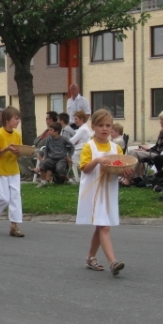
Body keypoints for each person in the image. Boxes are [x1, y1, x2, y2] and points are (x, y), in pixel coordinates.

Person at [76, 109, 130, 276]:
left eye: (108, 125)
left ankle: (91, 257)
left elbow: (120, 168)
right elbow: (84, 169)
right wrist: (97, 160)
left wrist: (125, 172)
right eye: (101, 125)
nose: (105, 129)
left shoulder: (116, 148)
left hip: (109, 191)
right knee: (104, 227)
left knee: (101, 226)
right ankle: (113, 261)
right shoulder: (89, 147)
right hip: (94, 193)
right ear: (94, 127)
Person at [0, 106, 25, 237]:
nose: (18, 121)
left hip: (13, 170)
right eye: (16, 119)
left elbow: (19, 153)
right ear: (7, 120)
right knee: (3, 197)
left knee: (15, 197)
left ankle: (14, 225)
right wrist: (7, 149)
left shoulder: (17, 135)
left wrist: (21, 153)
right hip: (1, 170)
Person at [36, 122, 75, 187]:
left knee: (59, 169)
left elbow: (72, 147)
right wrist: (44, 157)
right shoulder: (49, 139)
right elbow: (46, 149)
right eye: (48, 130)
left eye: (50, 130)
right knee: (43, 164)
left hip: (61, 159)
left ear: (57, 131)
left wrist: (69, 156)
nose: (49, 131)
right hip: (51, 159)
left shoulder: (63, 139)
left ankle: (68, 179)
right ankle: (43, 181)